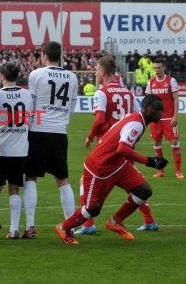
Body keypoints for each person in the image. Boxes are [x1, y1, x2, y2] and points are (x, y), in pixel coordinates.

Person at [55, 94, 168, 245]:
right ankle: (64, 227)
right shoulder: (137, 123)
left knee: (144, 190)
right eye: (157, 109)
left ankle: (115, 222)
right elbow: (122, 148)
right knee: (92, 210)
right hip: (100, 167)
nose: (161, 113)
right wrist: (150, 161)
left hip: (117, 164)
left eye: (162, 110)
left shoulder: (135, 118)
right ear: (147, 108)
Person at [76, 55, 158, 235]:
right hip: (126, 147)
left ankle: (88, 224)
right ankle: (149, 219)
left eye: (96, 69)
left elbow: (99, 120)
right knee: (135, 187)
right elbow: (138, 116)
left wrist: (90, 136)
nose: (95, 72)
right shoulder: (128, 93)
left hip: (108, 149)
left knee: (85, 181)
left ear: (103, 71)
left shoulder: (102, 92)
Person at [23, 41, 78, 239]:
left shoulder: (36, 75)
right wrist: (61, 121)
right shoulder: (72, 77)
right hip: (59, 131)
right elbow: (72, 106)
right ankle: (69, 225)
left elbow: (32, 103)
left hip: (38, 130)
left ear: (44, 56)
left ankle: (30, 226)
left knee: (31, 177)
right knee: (62, 180)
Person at [0, 63, 32, 240]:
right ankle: (14, 229)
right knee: (14, 189)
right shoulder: (27, 94)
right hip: (20, 149)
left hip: (1, 148)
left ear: (2, 76)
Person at [146, 58, 183, 179]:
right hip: (155, 119)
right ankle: (160, 171)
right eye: (155, 68)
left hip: (169, 118)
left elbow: (176, 99)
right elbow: (148, 100)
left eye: (159, 67)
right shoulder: (151, 82)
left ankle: (178, 171)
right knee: (157, 142)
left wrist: (175, 116)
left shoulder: (171, 81)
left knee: (174, 142)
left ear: (164, 68)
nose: (157, 70)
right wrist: (148, 117)